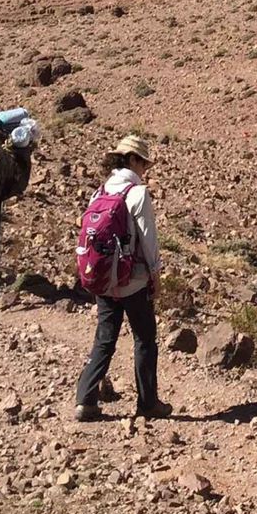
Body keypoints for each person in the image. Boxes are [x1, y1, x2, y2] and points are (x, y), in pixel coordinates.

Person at [73, 134, 170, 421]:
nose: (145, 170)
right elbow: (148, 239)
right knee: (145, 339)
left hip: (103, 279)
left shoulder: (99, 192)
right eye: (143, 163)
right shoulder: (137, 193)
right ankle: (148, 403)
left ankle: (85, 400)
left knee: (104, 339)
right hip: (134, 280)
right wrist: (156, 275)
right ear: (132, 160)